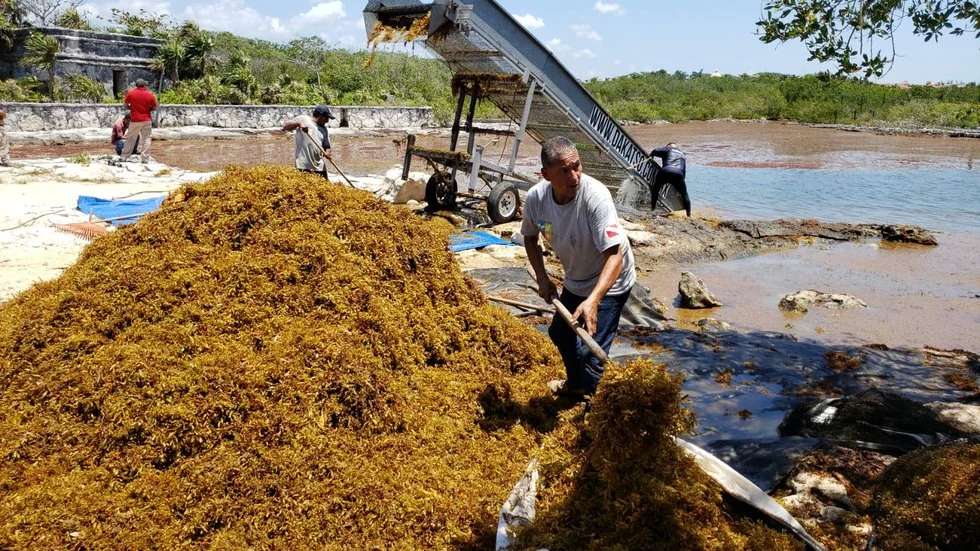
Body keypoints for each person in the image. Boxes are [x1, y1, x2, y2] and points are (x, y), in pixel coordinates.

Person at [522, 136, 637, 399]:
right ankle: (577, 386)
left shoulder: (595, 197)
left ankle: (597, 410)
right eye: (564, 170)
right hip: (577, 277)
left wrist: (594, 299)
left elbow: (614, 254)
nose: (574, 176)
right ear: (546, 174)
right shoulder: (536, 199)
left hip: (611, 280)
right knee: (560, 334)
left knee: (591, 351)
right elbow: (530, 236)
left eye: (577, 166)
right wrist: (542, 277)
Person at [281, 105, 336, 178]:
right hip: (303, 166)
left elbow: (327, 146)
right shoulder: (303, 119)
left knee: (325, 187)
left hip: (319, 167)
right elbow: (285, 126)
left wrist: (328, 153)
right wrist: (298, 124)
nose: (327, 121)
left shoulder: (324, 129)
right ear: (320, 115)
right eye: (326, 118)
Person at [649, 142, 692, 217]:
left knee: (655, 189)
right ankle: (688, 215)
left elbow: (655, 150)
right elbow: (684, 172)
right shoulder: (682, 155)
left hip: (666, 171)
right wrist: (680, 185)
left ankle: (653, 209)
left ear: (668, 146)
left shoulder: (669, 149)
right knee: (685, 194)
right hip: (679, 174)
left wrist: (651, 156)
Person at [120, 79, 157, 163]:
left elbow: (125, 105)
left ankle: (124, 156)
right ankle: (145, 158)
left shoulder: (131, 93)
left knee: (130, 138)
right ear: (144, 85)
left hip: (135, 119)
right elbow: (155, 107)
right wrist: (148, 110)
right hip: (147, 119)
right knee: (146, 138)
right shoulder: (150, 94)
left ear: (136, 85)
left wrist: (132, 108)